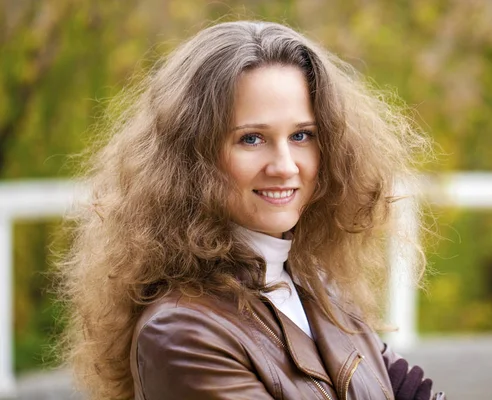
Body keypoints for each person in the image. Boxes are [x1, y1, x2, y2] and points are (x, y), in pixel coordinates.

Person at [58, 20, 445, 400]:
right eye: (252, 138)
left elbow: (410, 390)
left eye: (301, 135)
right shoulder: (182, 334)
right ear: (192, 157)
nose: (285, 166)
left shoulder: (312, 285)